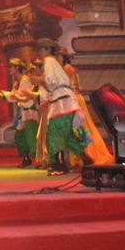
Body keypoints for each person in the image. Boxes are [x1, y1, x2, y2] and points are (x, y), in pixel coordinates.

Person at [34, 38, 88, 176]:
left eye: (40, 50)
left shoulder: (49, 61)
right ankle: (86, 161)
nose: (39, 53)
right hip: (64, 101)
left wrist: (40, 80)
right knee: (67, 134)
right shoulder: (54, 62)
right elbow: (56, 84)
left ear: (47, 49)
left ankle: (59, 165)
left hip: (62, 103)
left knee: (55, 133)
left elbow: (52, 82)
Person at [57, 47, 114, 167]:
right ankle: (80, 157)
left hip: (74, 100)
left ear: (63, 57)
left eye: (59, 56)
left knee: (80, 128)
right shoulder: (66, 68)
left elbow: (62, 84)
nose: (57, 59)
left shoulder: (67, 68)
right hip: (72, 99)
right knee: (78, 129)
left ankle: (84, 156)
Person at [0, 58, 40, 168]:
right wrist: (4, 95)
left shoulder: (24, 80)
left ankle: (40, 160)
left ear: (17, 68)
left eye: (11, 67)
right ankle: (26, 158)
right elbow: (15, 96)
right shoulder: (17, 82)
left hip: (29, 111)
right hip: (22, 111)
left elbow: (24, 97)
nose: (9, 69)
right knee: (20, 136)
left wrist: (5, 95)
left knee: (31, 136)